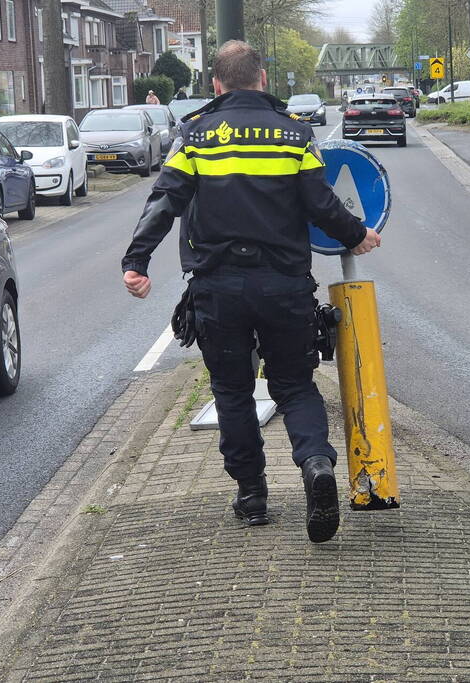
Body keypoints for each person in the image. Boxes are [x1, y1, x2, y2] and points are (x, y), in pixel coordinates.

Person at [122, 40, 380, 544]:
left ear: (215, 85)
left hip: (218, 288)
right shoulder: (296, 134)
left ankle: (253, 496)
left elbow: (165, 200)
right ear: (262, 81)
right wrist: (357, 235)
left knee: (233, 390)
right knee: (295, 386)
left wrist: (137, 261)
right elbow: (321, 204)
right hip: (284, 285)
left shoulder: (195, 135)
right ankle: (316, 468)